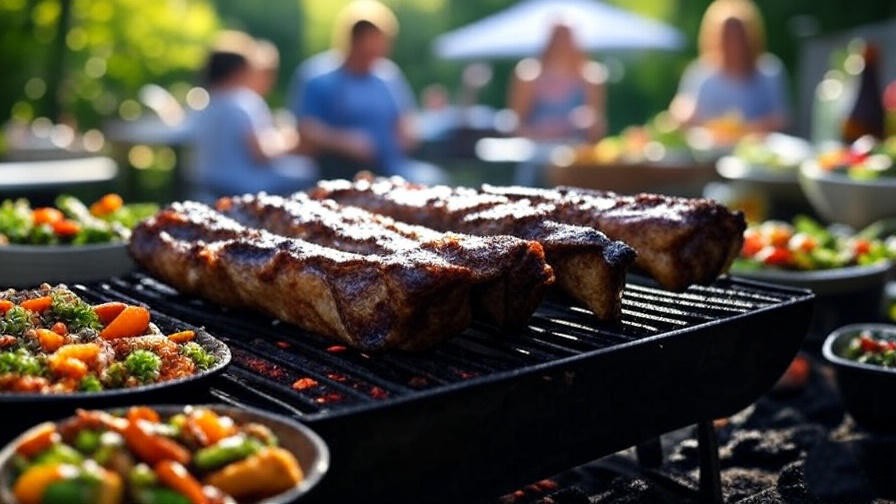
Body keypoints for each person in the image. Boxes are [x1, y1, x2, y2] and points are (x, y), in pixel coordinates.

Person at [294, 1, 445, 183]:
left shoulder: (388, 77)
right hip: (337, 172)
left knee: (432, 180)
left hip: (390, 167)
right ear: (352, 40)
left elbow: (404, 121)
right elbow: (305, 129)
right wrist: (343, 142)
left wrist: (407, 133)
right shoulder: (319, 77)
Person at [191, 32, 316, 200]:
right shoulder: (244, 102)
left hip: (207, 186)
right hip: (243, 188)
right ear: (238, 71)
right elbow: (261, 153)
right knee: (307, 171)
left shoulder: (202, 103)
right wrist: (291, 140)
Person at [670, 0, 789, 134]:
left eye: (739, 36)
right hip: (711, 151)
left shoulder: (769, 70)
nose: (734, 45)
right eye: (727, 37)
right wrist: (684, 114)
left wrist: (744, 130)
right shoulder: (699, 72)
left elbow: (781, 117)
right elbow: (681, 109)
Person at [507, 23, 607, 143]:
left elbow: (598, 129)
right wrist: (541, 132)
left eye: (566, 38)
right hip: (535, 150)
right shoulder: (528, 75)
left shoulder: (591, 77)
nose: (562, 44)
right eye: (558, 38)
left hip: (576, 152)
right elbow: (514, 124)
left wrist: (587, 121)